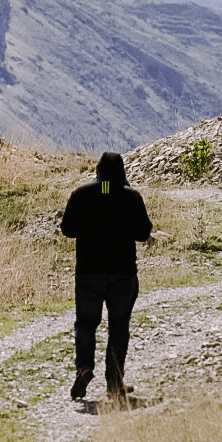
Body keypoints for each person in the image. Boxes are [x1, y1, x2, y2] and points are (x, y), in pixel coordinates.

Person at [60, 150, 153, 402]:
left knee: (86, 324)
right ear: (122, 171)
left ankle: (84, 368)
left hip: (88, 272)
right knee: (119, 328)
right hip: (123, 274)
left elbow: (67, 229)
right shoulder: (130, 196)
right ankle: (114, 384)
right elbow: (143, 233)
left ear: (98, 170)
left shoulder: (82, 194)